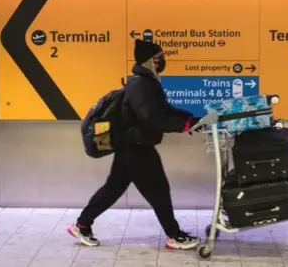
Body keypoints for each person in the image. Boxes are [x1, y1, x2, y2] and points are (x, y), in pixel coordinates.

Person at [68, 39, 200, 250]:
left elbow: (164, 109)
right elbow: (152, 118)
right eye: (159, 58)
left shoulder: (147, 82)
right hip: (136, 146)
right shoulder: (141, 84)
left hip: (132, 145)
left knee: (113, 189)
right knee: (158, 191)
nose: (162, 61)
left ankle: (82, 225)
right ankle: (174, 235)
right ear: (149, 61)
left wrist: (190, 120)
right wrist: (184, 125)